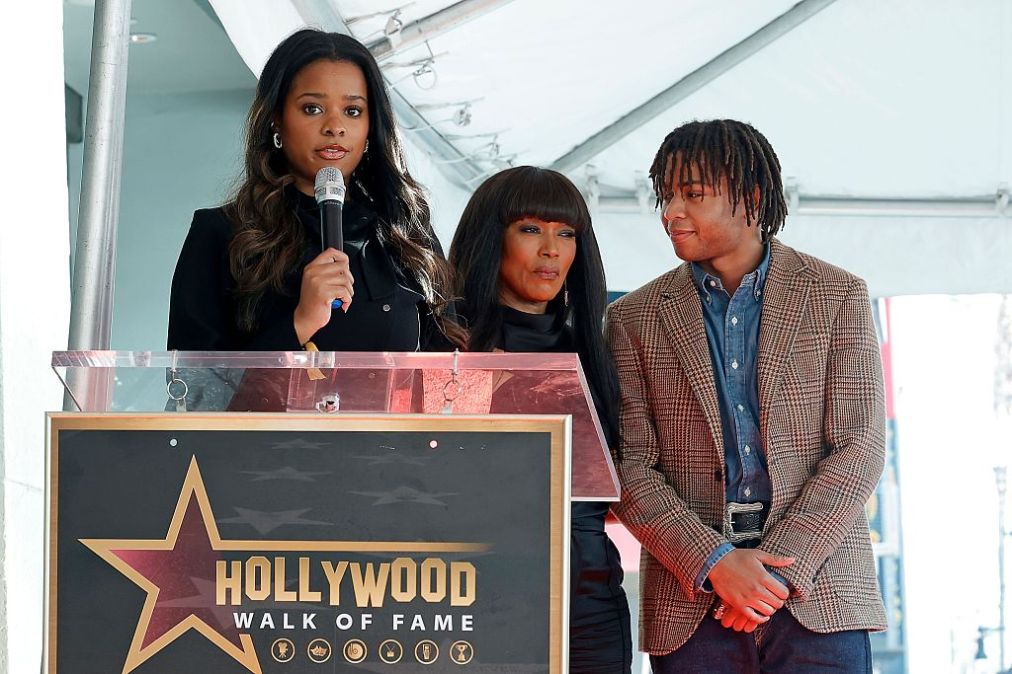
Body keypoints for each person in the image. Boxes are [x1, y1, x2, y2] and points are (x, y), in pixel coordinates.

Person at [606, 119, 886, 672]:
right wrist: (715, 563)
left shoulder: (837, 295)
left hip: (819, 593)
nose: (670, 212)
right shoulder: (632, 318)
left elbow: (859, 452)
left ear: (751, 198)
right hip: (692, 600)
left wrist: (774, 575)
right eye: (665, 195)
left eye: (692, 195)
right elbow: (626, 466)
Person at [167, 28, 461, 354]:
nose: (335, 127)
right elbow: (194, 390)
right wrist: (300, 322)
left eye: (352, 111)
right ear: (275, 120)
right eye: (312, 108)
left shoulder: (407, 231)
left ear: (370, 128)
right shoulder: (221, 234)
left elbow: (445, 372)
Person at [449, 166, 632, 673]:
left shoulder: (595, 351)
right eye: (531, 229)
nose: (551, 249)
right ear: (492, 238)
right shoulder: (444, 345)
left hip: (589, 600)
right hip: (475, 599)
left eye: (566, 233)